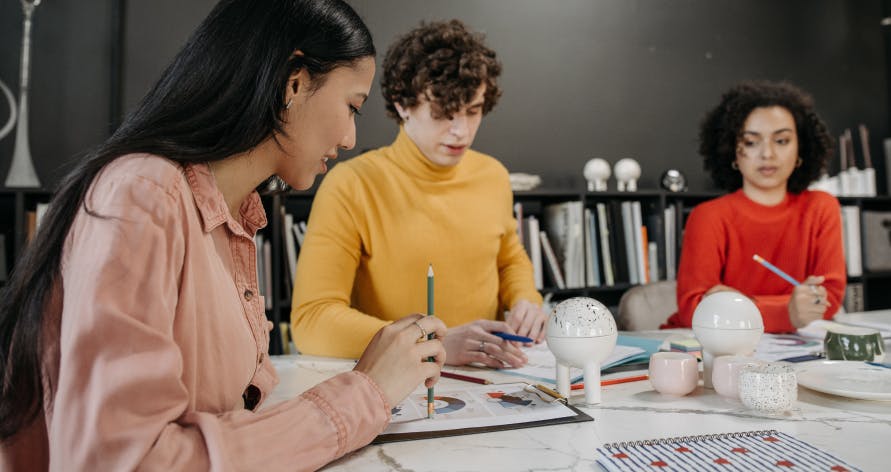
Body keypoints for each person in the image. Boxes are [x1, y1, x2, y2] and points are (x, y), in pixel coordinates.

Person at [0, 1, 448, 470]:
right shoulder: (142, 196)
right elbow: (126, 461)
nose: (353, 137)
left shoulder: (231, 217)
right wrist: (364, 392)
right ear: (293, 82)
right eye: (352, 106)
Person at [291, 20, 545, 368]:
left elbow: (508, 259)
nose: (462, 131)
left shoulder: (493, 176)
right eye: (443, 113)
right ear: (402, 104)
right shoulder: (352, 185)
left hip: (490, 378)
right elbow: (312, 322)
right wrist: (431, 341)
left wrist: (525, 301)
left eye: (473, 111)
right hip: (397, 384)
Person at [663, 80, 845, 333]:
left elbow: (828, 299)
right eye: (751, 142)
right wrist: (787, 311)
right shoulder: (708, 216)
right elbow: (694, 309)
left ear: (801, 148)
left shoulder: (821, 208)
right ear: (732, 152)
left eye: (781, 141)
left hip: (789, 354)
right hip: (704, 348)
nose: (767, 154)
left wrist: (738, 305)